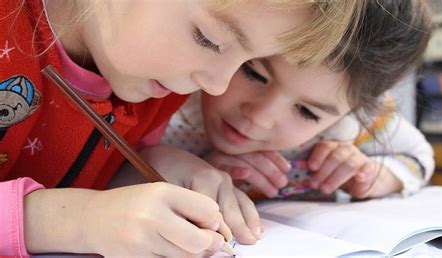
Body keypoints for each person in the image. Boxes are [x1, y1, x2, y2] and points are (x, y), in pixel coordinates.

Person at [0, 0, 363, 256]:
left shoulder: (154, 84)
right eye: (210, 40)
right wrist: (77, 221)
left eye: (248, 61)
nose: (217, 86)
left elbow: (80, 174)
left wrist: (149, 168)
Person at [159, 0, 434, 201]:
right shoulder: (167, 93)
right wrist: (181, 171)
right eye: (253, 73)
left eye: (307, 112)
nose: (259, 117)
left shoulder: (349, 127)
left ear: (354, 112)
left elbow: (419, 157)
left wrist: (375, 176)